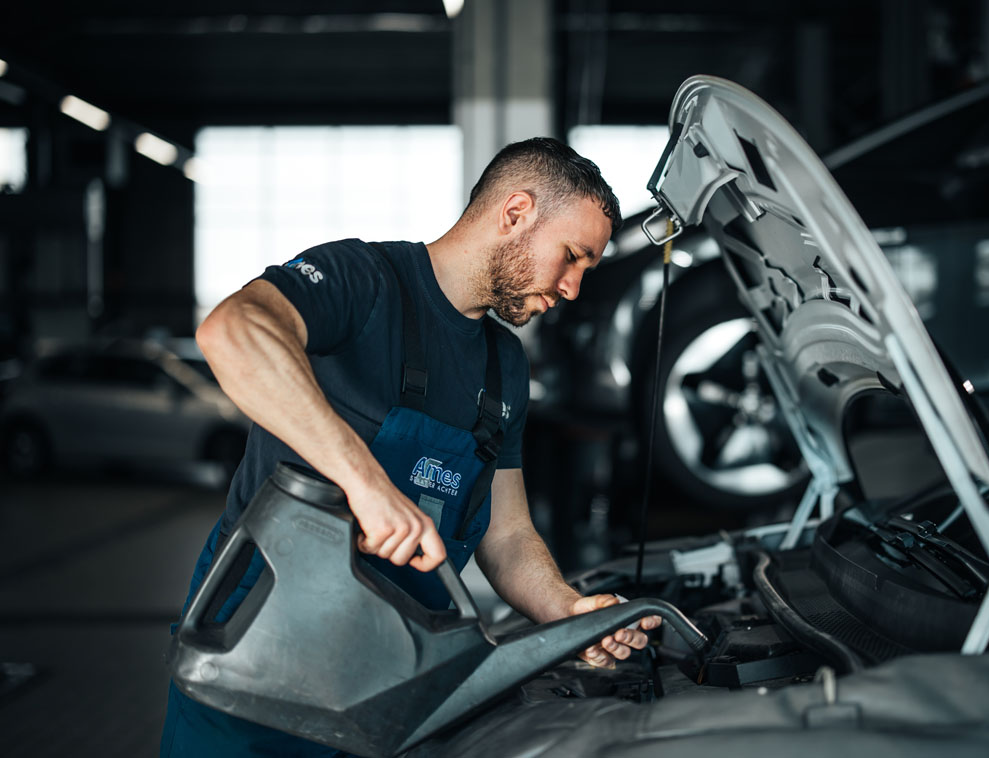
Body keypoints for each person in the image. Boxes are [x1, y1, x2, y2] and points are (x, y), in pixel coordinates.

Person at [160, 137, 661, 757]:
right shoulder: (362, 281)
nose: (572, 289)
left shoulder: (504, 367)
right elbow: (232, 330)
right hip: (259, 662)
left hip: (394, 686)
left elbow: (506, 537)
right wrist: (367, 486)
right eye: (572, 257)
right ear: (515, 213)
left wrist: (567, 612)